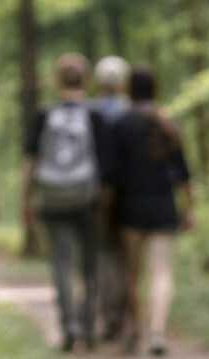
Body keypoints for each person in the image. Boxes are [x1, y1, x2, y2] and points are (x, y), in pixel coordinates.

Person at [102, 66, 194, 356]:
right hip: (164, 207)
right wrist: (190, 209)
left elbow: (111, 176)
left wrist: (106, 210)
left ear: (129, 89)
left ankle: (135, 329)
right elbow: (184, 176)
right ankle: (157, 331)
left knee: (132, 273)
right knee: (162, 273)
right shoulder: (169, 125)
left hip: (130, 208)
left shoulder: (121, 124)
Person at [24, 54, 107, 351]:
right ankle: (88, 328)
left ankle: (68, 325)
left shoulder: (45, 114)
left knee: (61, 263)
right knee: (90, 265)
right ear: (86, 79)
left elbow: (30, 162)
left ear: (58, 80)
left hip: (52, 197)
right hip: (87, 198)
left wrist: (27, 200)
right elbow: (105, 164)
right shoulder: (94, 115)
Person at [89, 55, 134, 342]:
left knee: (103, 255)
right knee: (126, 258)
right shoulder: (131, 112)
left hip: (96, 192)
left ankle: (109, 317)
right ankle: (127, 316)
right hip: (129, 193)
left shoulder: (89, 112)